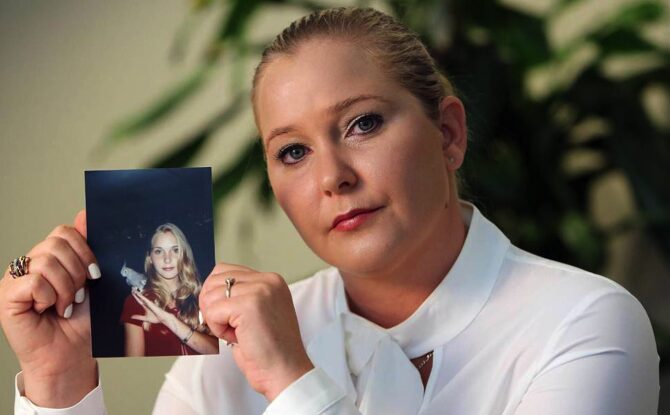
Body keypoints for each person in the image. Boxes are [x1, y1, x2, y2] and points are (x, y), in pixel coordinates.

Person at [1, 6, 659, 415]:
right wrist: (58, 383)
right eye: (292, 152)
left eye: (363, 123)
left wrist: (293, 383)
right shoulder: (222, 354)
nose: (332, 177)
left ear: (449, 133)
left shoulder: (583, 322)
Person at [120, 223, 219, 356]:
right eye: (159, 251)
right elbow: (133, 365)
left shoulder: (203, 296)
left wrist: (170, 321)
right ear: (150, 258)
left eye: (175, 250)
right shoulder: (138, 302)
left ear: (184, 254)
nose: (167, 259)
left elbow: (221, 352)